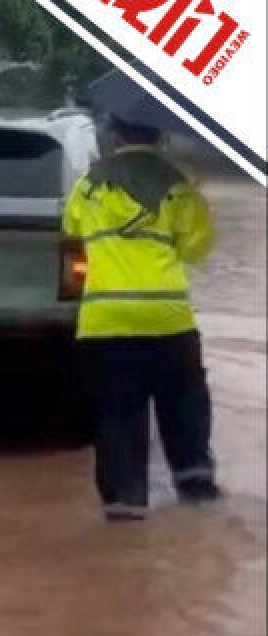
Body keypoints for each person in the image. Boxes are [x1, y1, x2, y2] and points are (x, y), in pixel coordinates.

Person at [63, 111, 220, 522]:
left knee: (116, 410)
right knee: (184, 401)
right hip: (167, 315)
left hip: (105, 318)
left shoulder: (87, 185)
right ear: (161, 134)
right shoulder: (178, 185)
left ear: (115, 134)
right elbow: (197, 250)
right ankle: (196, 486)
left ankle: (124, 501)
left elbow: (73, 240)